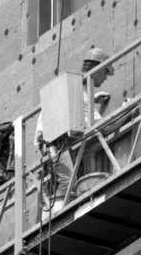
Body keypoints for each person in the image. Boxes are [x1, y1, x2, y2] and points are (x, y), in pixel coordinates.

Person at [33, 48, 115, 220]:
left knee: (70, 178)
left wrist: (94, 101)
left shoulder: (75, 89)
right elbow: (103, 128)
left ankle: (56, 211)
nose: (106, 78)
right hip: (53, 143)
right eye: (106, 72)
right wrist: (128, 111)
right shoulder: (80, 94)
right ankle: (54, 216)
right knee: (67, 181)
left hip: (53, 140)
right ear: (99, 68)